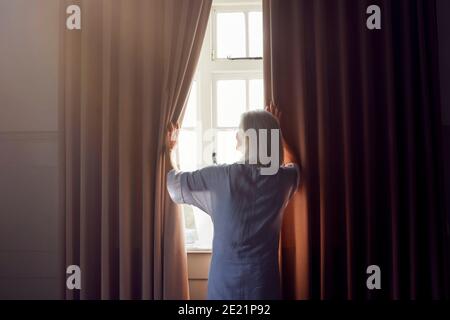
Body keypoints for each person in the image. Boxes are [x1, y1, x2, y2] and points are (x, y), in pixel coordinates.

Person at [165, 102, 300, 300]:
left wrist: (170, 151)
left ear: (249, 139)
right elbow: (295, 165)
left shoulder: (221, 176)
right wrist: (275, 132)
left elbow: (174, 184)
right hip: (263, 284)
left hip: (225, 283)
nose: (235, 135)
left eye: (239, 130)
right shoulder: (282, 179)